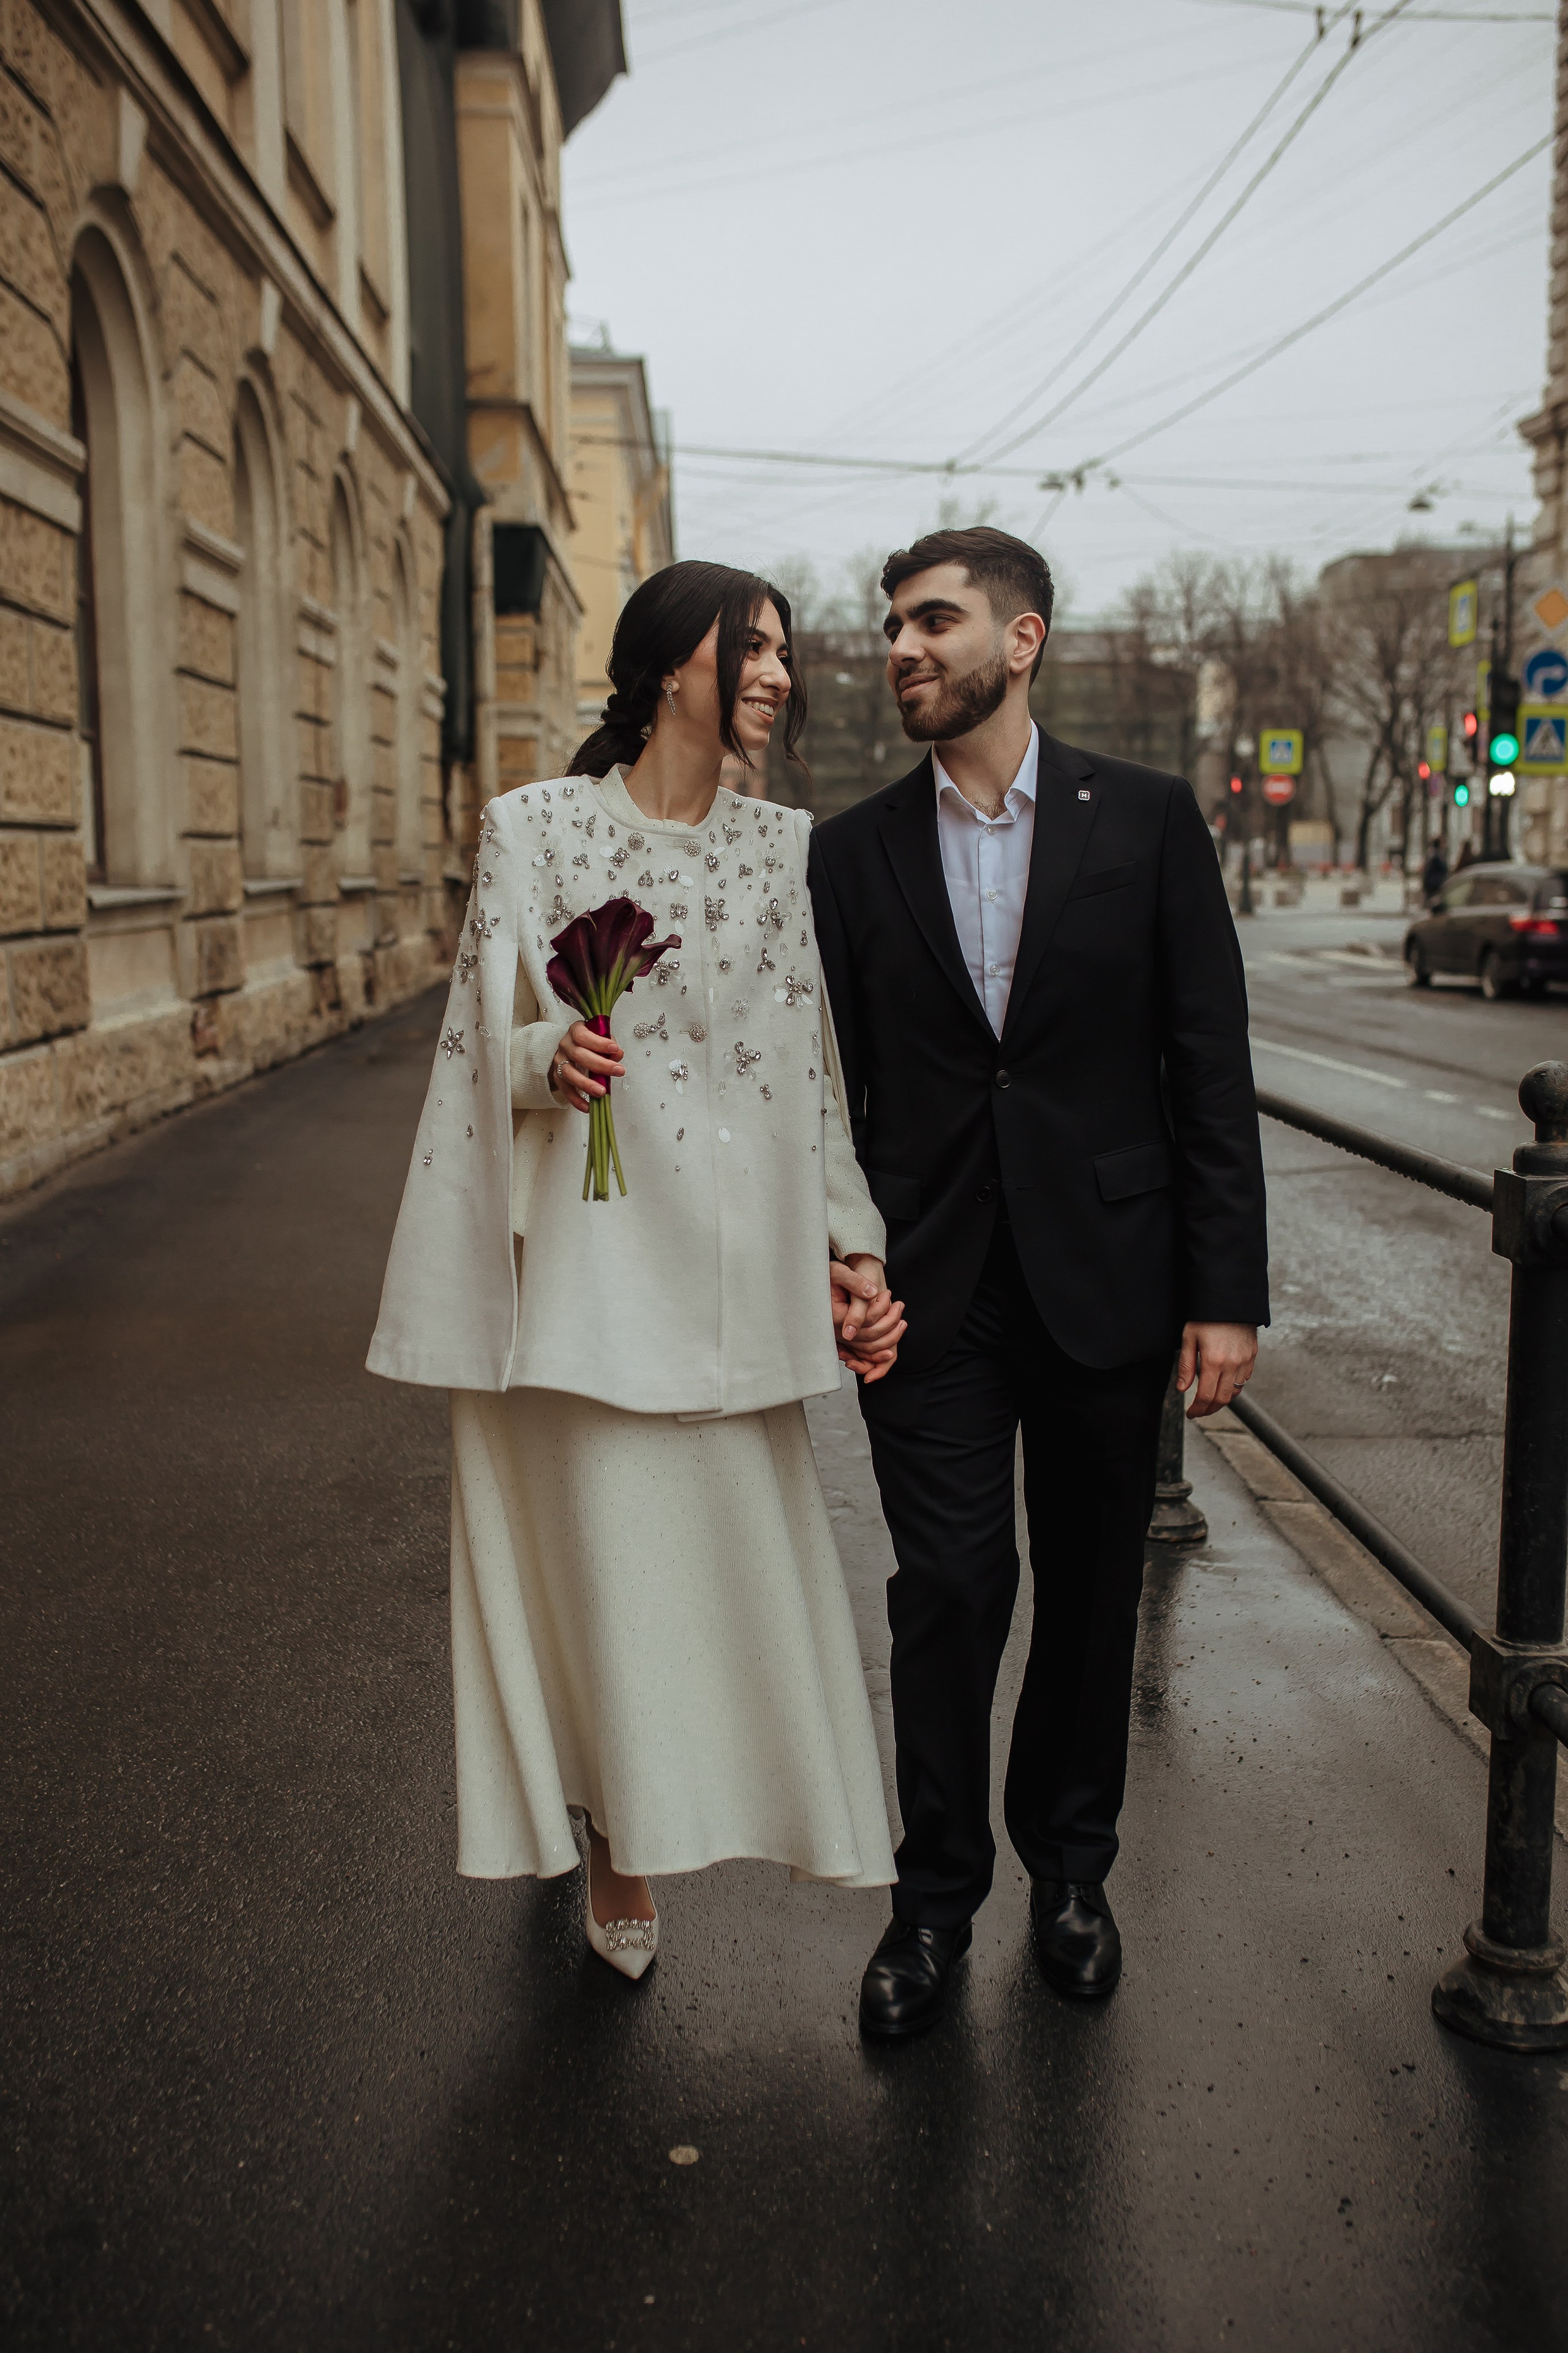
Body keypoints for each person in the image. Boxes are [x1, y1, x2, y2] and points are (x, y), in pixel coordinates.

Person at [369, 561, 903, 1979]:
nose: (777, 673)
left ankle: (720, 1804)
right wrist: (549, 1055)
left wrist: (850, 1242)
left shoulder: (783, 851)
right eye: (753, 646)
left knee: (717, 1581)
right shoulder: (534, 828)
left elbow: (808, 1075)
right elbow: (480, 1043)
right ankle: (616, 1834)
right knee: (605, 1577)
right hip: (585, 1281)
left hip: (729, 1287)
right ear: (674, 664)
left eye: (784, 650)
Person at [810, 526, 1268, 2039]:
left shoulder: (1143, 818)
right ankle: (932, 1899)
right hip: (927, 1287)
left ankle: (1070, 1872)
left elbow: (1205, 1061)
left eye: (933, 620)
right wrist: (838, 1249)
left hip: (1107, 1274)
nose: (901, 646)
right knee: (948, 1588)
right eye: (892, 623)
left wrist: (1223, 1289)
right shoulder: (849, 850)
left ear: (1021, 641)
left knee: (1087, 1588)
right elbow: (820, 1088)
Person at [1422, 840, 1450, 905]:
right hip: (1435, 883)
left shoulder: (1431, 853)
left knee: (1429, 900)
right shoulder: (1437, 855)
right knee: (1433, 901)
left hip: (1430, 882)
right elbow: (1443, 868)